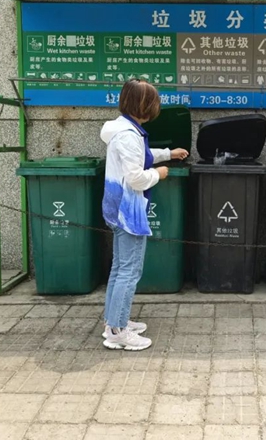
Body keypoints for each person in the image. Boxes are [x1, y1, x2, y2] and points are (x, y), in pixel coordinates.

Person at [100, 79, 188, 351]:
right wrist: (158, 174)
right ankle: (118, 331)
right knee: (129, 270)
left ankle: (114, 322)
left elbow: (140, 155)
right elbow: (136, 177)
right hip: (128, 211)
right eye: (154, 102)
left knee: (119, 268)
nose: (156, 107)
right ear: (144, 106)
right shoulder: (128, 135)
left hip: (117, 207)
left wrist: (168, 153)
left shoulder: (124, 130)